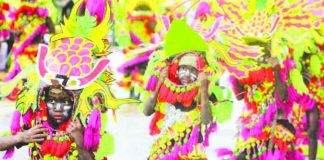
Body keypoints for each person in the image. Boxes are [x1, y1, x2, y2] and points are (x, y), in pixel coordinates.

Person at [142, 19, 229, 160]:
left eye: (191, 70)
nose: (186, 74)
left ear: (199, 72)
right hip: (162, 151)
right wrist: (159, 84)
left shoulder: (204, 92)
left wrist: (203, 89)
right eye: (183, 69)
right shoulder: (166, 89)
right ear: (176, 70)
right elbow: (146, 111)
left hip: (191, 154)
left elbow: (207, 121)